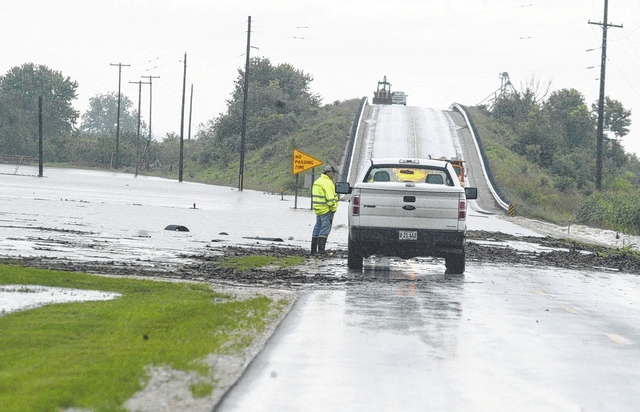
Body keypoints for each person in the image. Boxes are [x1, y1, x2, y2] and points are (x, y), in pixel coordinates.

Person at [311, 164, 338, 255]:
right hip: (326, 210)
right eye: (333, 172)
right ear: (328, 172)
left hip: (318, 209)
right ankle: (321, 250)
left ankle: (313, 250)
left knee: (317, 228)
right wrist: (333, 208)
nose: (333, 174)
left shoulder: (317, 181)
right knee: (324, 230)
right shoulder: (328, 182)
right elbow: (330, 198)